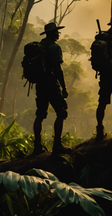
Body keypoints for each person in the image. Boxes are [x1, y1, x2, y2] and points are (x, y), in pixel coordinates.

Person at [33, 22, 70, 155]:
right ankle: (57, 145)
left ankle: (37, 147)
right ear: (53, 33)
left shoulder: (40, 45)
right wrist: (64, 87)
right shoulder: (54, 47)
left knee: (40, 115)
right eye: (56, 32)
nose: (58, 34)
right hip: (51, 84)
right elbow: (58, 69)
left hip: (40, 84)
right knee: (61, 111)